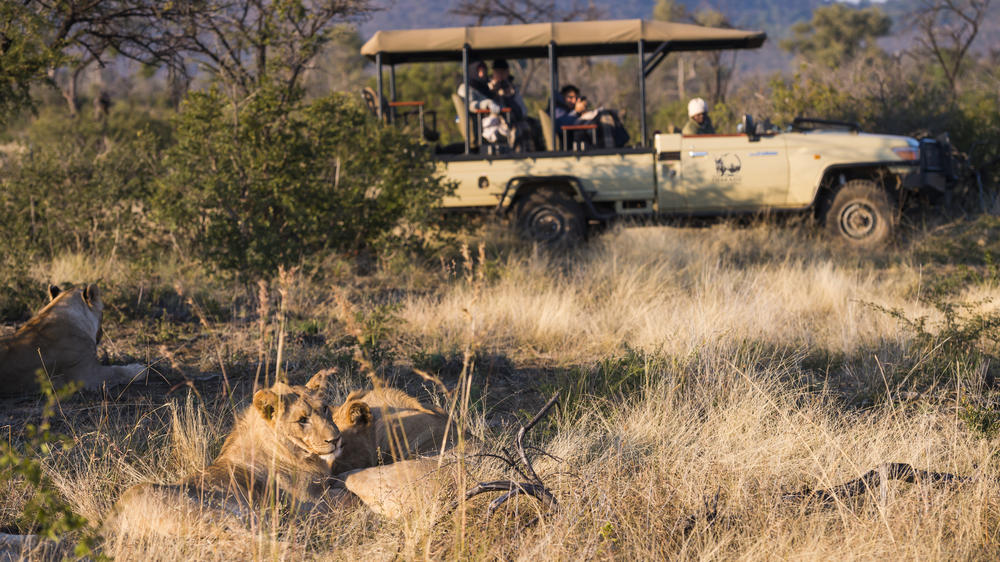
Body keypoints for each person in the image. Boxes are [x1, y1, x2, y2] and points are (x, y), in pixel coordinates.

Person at [553, 84, 629, 149]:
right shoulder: (557, 108)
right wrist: (576, 112)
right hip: (571, 136)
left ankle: (616, 145)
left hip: (579, 130)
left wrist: (583, 112)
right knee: (603, 116)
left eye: (575, 98)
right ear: (563, 96)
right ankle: (610, 149)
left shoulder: (567, 109)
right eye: (570, 97)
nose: (573, 101)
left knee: (604, 114)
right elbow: (561, 123)